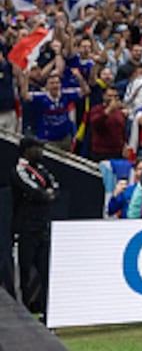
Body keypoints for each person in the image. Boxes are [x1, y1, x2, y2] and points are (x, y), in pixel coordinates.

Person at [11, 136, 58, 322]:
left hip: (42, 226)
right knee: (25, 268)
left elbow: (55, 187)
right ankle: (24, 310)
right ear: (26, 150)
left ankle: (45, 309)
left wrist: (47, 194)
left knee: (45, 269)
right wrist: (44, 194)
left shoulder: (42, 169)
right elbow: (34, 191)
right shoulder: (19, 170)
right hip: (26, 227)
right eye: (37, 148)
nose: (40, 152)